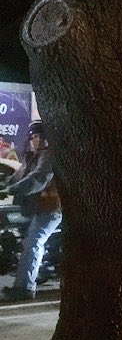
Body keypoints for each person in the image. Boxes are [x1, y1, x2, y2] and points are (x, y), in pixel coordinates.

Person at [0, 121, 61, 301]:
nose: (37, 140)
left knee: (33, 242)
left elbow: (38, 178)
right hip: (34, 208)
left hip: (50, 208)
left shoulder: (48, 156)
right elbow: (17, 177)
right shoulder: (31, 157)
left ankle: (25, 288)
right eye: (34, 136)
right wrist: (4, 186)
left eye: (41, 136)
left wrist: (12, 190)